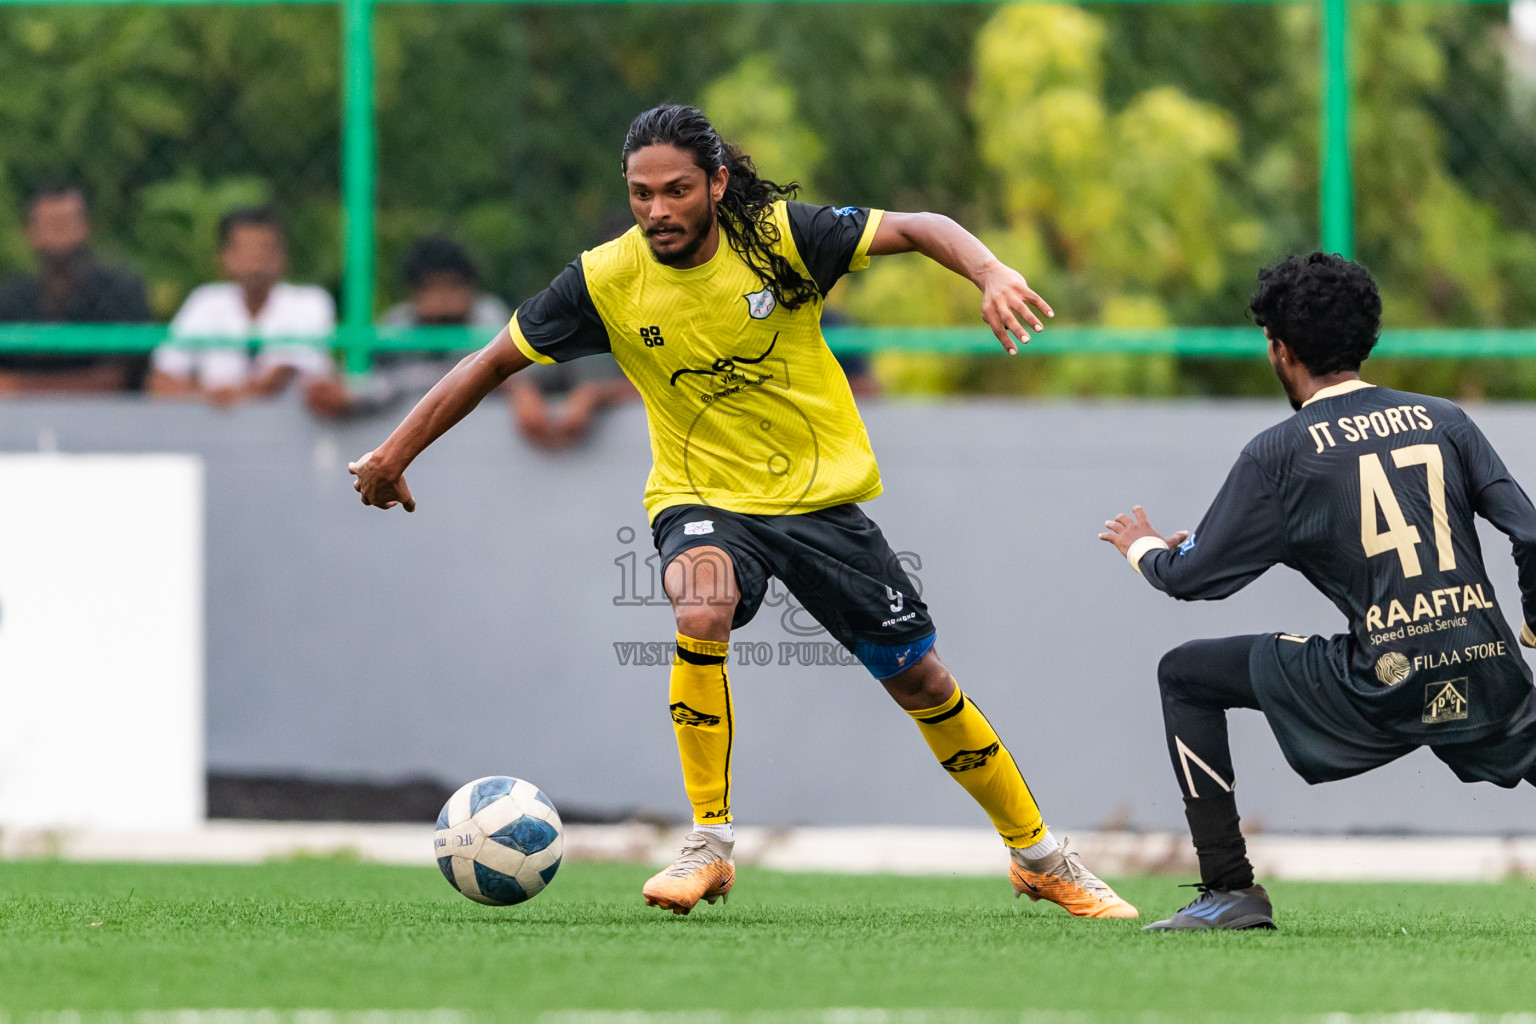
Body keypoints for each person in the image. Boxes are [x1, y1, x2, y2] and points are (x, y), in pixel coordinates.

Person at [351, 104, 1136, 919]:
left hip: (822, 502)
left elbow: (919, 223)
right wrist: (394, 453)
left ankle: (1041, 857)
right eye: (641, 193)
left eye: (677, 190)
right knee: (701, 600)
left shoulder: (781, 238)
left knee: (920, 679)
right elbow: (489, 362)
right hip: (701, 496)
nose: (657, 210)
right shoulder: (605, 279)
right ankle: (709, 843)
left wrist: (990, 271)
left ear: (717, 183)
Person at [1100, 252, 1536, 932]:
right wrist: (1532, 617)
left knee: (1185, 674)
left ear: (1281, 351)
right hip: (1486, 665)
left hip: (1379, 680)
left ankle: (1230, 890)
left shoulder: (1279, 454)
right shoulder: (1444, 420)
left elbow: (1192, 579)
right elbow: (1531, 534)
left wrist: (1145, 548)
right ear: (1367, 337)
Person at [305, 236, 510, 418]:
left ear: (471, 286)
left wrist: (519, 387)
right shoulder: (399, 324)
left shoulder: (489, 320)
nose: (444, 297)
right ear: (415, 291)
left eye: (453, 285)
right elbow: (361, 369)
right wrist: (339, 386)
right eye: (432, 286)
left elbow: (462, 378)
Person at [151, 206, 335, 405]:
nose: (256, 261)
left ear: (283, 256)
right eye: (246, 250)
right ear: (224, 256)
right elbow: (161, 381)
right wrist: (213, 396)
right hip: (216, 431)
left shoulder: (309, 302)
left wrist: (222, 396)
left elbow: (276, 381)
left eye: (264, 250)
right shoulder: (205, 302)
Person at [0, 181, 153, 393]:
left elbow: (120, 379)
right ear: (30, 232)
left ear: (86, 227)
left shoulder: (123, 292)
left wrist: (19, 386)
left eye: (66, 224)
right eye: (50, 225)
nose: (59, 236)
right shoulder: (9, 300)